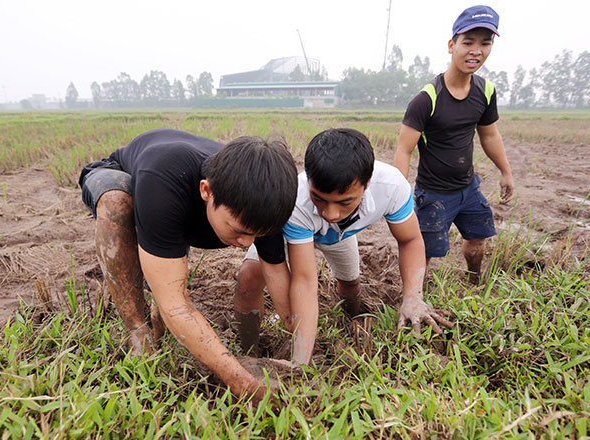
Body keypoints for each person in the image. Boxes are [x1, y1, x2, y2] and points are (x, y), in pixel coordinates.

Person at [78, 128, 298, 401]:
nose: (246, 243)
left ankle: (159, 325)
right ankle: (138, 334)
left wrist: (296, 336)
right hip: (127, 178)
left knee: (165, 314)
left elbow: (276, 270)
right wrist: (240, 381)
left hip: (177, 206)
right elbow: (175, 304)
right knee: (117, 203)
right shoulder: (164, 186)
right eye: (239, 231)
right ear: (207, 191)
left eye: (258, 234)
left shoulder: (263, 200)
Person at [235, 128, 453, 365]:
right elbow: (305, 280)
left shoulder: (391, 186)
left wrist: (413, 297)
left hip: (342, 236)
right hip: (293, 233)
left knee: (350, 285)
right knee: (248, 277)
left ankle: (352, 321)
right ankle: (250, 352)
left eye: (345, 202)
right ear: (308, 179)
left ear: (367, 183)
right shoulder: (296, 200)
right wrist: (300, 362)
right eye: (318, 198)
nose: (330, 214)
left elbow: (410, 239)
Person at [393, 5, 514, 285]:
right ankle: (415, 297)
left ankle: (473, 285)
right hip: (433, 193)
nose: (476, 50)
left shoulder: (485, 91)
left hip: (469, 188)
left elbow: (489, 135)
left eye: (485, 43)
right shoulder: (427, 98)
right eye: (468, 42)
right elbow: (404, 149)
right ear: (452, 45)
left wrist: (506, 172)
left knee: (477, 242)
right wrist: (400, 198)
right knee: (422, 251)